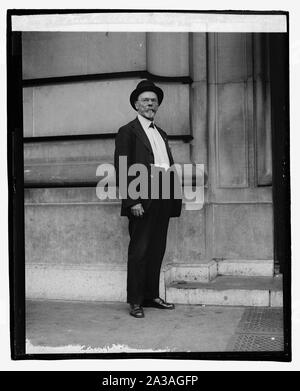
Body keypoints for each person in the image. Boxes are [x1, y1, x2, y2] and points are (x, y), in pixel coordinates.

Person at [114, 80, 182, 318]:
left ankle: (151, 295)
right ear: (136, 104)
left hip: (163, 196)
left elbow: (167, 166)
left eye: (154, 100)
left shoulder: (161, 133)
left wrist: (173, 197)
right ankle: (135, 300)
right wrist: (132, 201)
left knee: (156, 249)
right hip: (143, 197)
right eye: (145, 100)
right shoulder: (127, 131)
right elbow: (123, 168)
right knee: (139, 250)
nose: (150, 103)